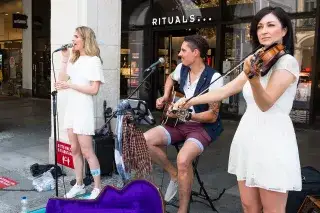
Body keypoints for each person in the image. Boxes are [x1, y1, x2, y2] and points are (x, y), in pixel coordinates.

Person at [174, 7, 302, 213]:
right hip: (248, 134)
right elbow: (223, 91)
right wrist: (188, 101)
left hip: (273, 138)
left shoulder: (287, 62)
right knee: (249, 206)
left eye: (271, 25)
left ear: (284, 30)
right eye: (260, 26)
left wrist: (253, 78)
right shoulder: (258, 60)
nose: (264, 31)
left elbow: (266, 103)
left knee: (272, 209)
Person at [144, 35, 223, 213]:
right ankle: (173, 175)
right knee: (144, 140)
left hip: (202, 126)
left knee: (183, 159)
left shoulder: (214, 77)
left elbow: (212, 115)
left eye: (183, 51)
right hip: (180, 122)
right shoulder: (182, 68)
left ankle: (183, 209)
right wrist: (165, 96)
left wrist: (188, 115)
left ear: (195, 53)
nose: (179, 54)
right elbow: (170, 79)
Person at [55, 26, 105, 199]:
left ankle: (97, 187)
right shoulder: (74, 59)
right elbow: (61, 79)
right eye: (73, 36)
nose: (73, 39)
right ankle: (79, 184)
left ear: (85, 39)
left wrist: (71, 85)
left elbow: (94, 89)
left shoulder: (94, 60)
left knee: (87, 151)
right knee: (74, 149)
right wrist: (65, 59)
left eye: (76, 36)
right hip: (71, 108)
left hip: (83, 109)